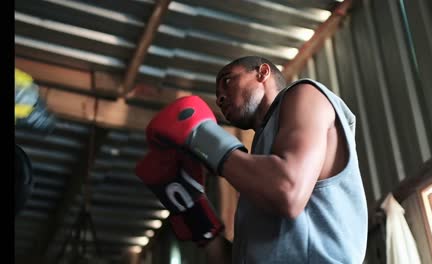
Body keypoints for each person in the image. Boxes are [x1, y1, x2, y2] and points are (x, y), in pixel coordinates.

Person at [138, 55, 368, 263]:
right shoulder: (259, 170)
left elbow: (288, 191)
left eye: (227, 81)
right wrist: (197, 216)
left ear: (262, 72)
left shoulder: (306, 94)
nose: (219, 98)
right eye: (217, 94)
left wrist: (200, 135)